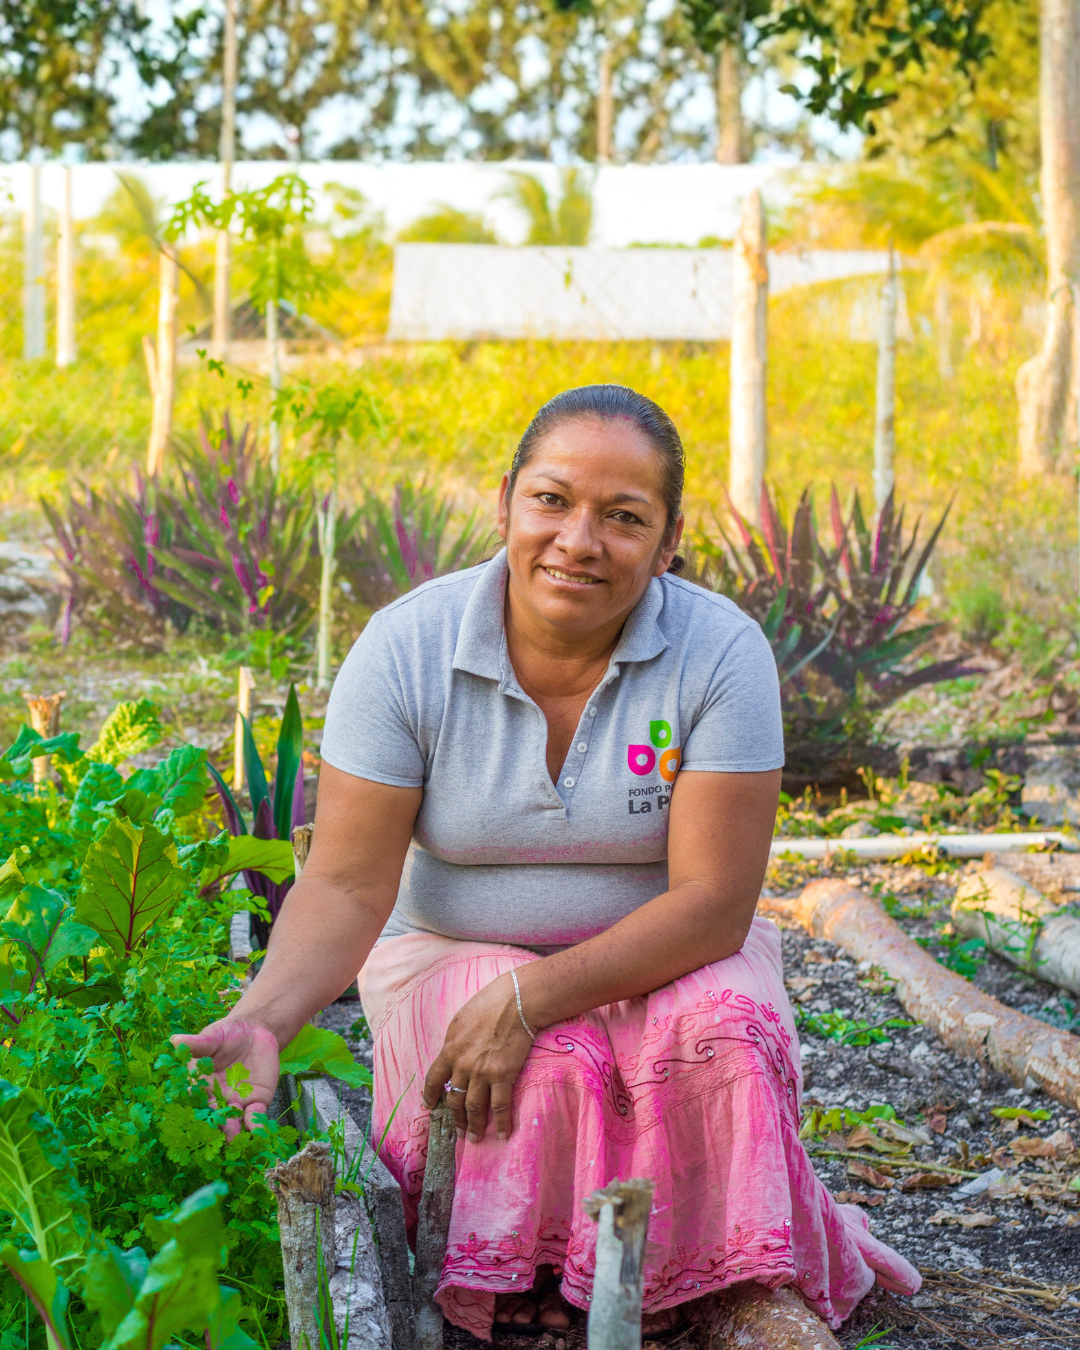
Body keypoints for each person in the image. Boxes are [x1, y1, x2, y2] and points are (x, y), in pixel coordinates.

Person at [177, 385, 919, 1340]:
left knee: (723, 1035)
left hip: (669, 949)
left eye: (624, 517)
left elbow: (713, 904)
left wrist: (533, 995)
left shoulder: (719, 653)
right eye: (553, 500)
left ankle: (714, 1286)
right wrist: (263, 1015)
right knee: (547, 1068)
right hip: (454, 946)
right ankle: (527, 1302)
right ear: (506, 502)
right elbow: (350, 881)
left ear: (668, 539)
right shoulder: (408, 648)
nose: (579, 540)